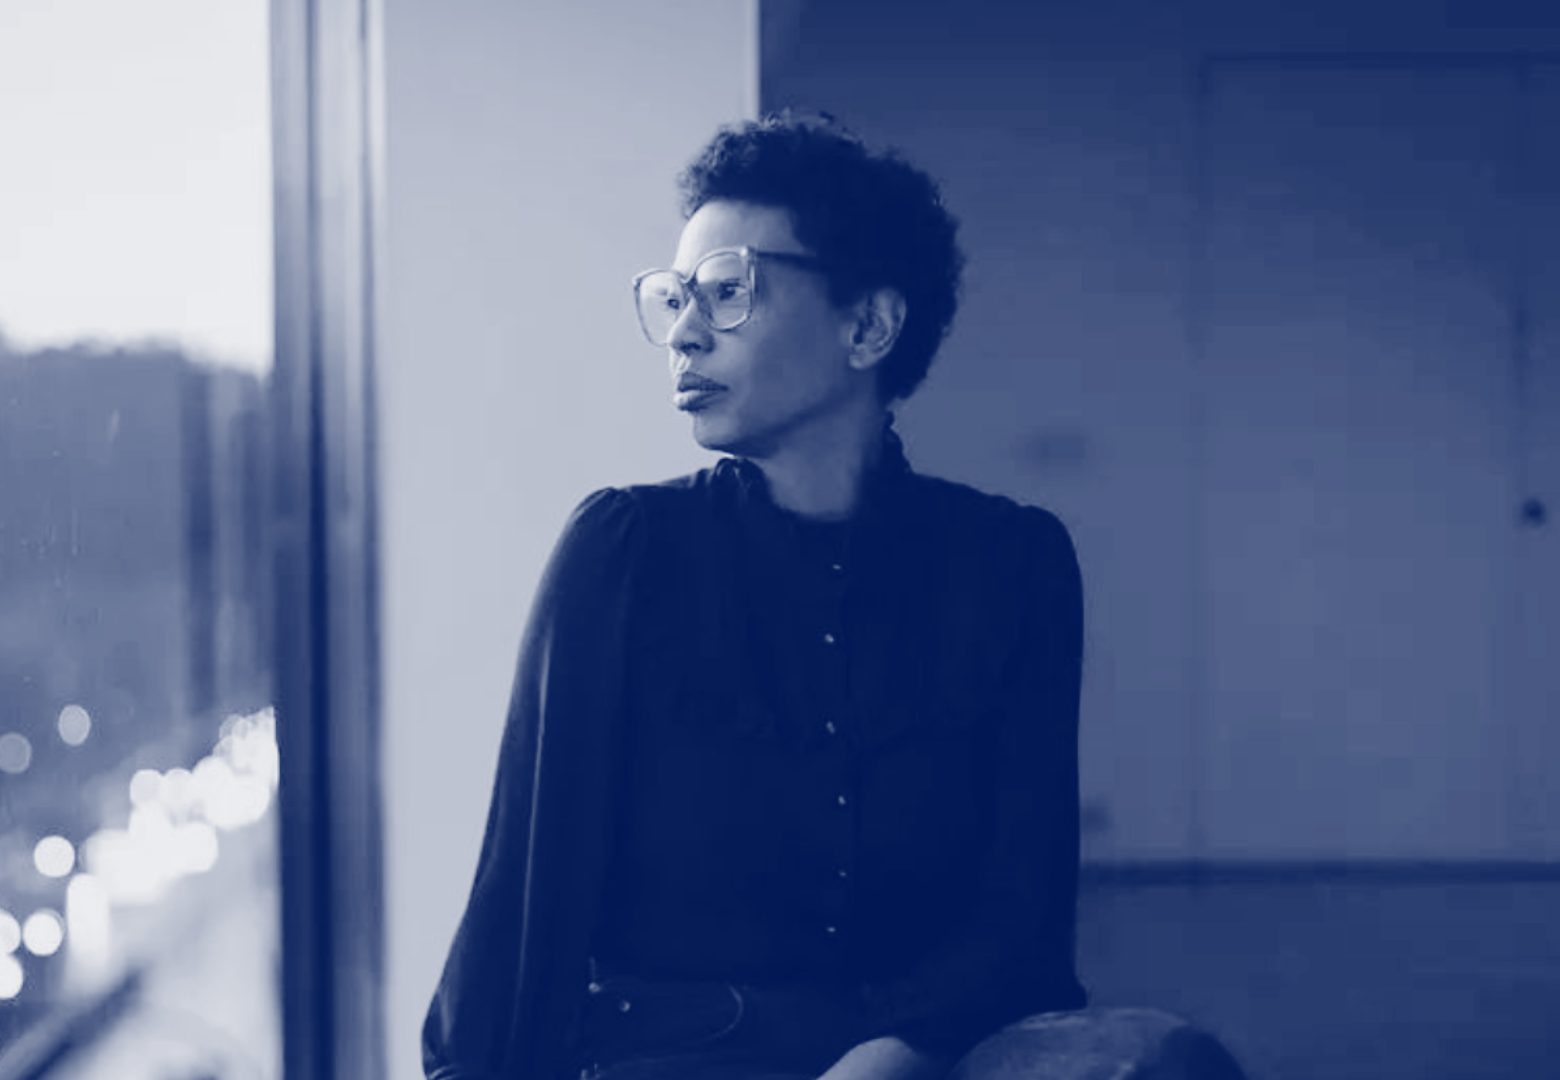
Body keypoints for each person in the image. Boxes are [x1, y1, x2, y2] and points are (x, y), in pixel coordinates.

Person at [423, 114, 1089, 1080]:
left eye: (728, 290)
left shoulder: (1014, 565)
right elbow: (523, 907)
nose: (684, 332)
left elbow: (1023, 919)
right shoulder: (623, 553)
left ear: (868, 326)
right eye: (675, 298)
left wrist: (891, 1057)